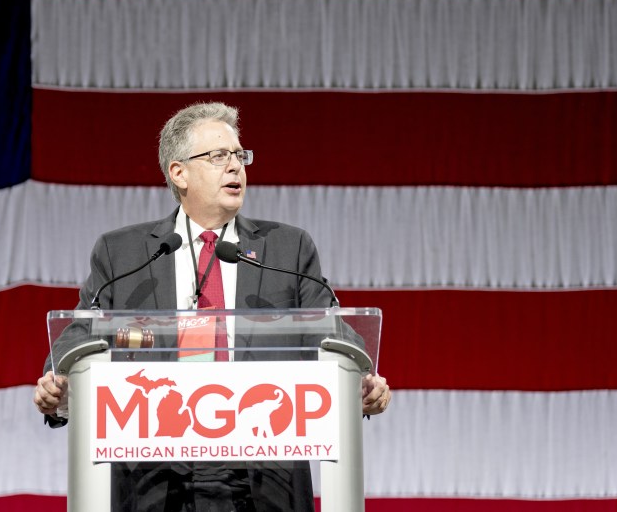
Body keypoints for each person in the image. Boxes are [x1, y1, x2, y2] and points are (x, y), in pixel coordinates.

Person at [34, 102, 392, 511]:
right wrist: (56, 383)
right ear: (178, 172)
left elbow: (332, 329)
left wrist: (361, 377)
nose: (236, 167)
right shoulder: (123, 253)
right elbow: (80, 332)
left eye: (240, 155)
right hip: (155, 474)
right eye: (219, 156)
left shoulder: (286, 248)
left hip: (264, 472)